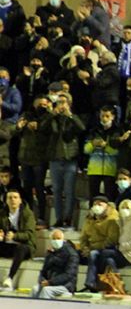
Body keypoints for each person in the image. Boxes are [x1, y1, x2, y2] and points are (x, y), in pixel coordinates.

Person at [42, 92, 83, 229]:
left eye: (64, 102)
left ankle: (68, 219)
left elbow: (81, 128)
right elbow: (43, 129)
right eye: (59, 102)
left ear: (69, 104)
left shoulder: (73, 118)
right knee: (57, 191)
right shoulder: (52, 118)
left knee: (69, 191)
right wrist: (52, 115)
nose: (61, 105)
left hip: (70, 160)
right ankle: (59, 219)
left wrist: (69, 115)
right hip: (55, 159)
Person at [93, 199, 131, 281]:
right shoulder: (122, 222)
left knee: (104, 253)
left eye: (127, 208)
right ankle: (117, 284)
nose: (124, 210)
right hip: (125, 252)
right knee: (109, 261)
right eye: (122, 207)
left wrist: (119, 248)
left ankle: (98, 280)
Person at [78, 195, 119, 292]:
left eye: (100, 204)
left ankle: (90, 284)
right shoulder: (89, 218)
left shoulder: (112, 219)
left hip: (105, 249)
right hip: (89, 248)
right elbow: (83, 237)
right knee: (72, 254)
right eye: (95, 204)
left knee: (94, 254)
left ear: (106, 206)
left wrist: (92, 248)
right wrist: (84, 248)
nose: (97, 206)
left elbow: (111, 240)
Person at [0, 189, 35, 290]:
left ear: (20, 200)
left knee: (21, 248)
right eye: (10, 198)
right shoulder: (2, 214)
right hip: (8, 245)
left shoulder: (27, 214)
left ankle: (10, 278)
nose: (12, 200)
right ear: (6, 201)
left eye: (15, 197)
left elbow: (29, 234)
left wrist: (15, 236)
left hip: (26, 246)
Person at [83, 106, 120, 199]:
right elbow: (86, 150)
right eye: (102, 116)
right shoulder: (93, 130)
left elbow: (117, 152)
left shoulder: (117, 131)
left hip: (110, 170)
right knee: (93, 198)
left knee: (110, 198)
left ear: (113, 117)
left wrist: (105, 146)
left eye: (107, 116)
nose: (104, 118)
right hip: (94, 169)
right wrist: (92, 144)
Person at [31, 229, 78, 299]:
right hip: (50, 283)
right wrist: (42, 280)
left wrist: (51, 282)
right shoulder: (50, 253)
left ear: (63, 239)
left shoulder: (72, 254)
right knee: (35, 289)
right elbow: (43, 271)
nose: (56, 241)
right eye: (54, 239)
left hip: (66, 285)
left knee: (46, 290)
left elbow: (69, 275)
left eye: (58, 238)